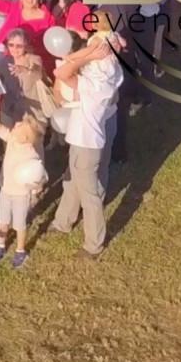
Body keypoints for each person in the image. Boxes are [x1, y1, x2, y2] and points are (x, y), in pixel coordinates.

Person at [50, 30, 123, 258]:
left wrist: (89, 54)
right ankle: (63, 221)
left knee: (89, 196)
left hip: (86, 144)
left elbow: (61, 71)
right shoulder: (109, 75)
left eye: (96, 49)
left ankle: (94, 244)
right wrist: (92, 52)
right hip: (82, 141)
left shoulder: (95, 84)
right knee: (71, 182)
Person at [0, 105, 48, 268]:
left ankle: (20, 250)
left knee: (19, 224)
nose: (16, 125)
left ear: (25, 137)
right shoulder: (12, 138)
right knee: (2, 221)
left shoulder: (32, 155)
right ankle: (1, 245)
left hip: (20, 195)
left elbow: (40, 175)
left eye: (20, 126)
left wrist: (36, 186)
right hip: (5, 190)